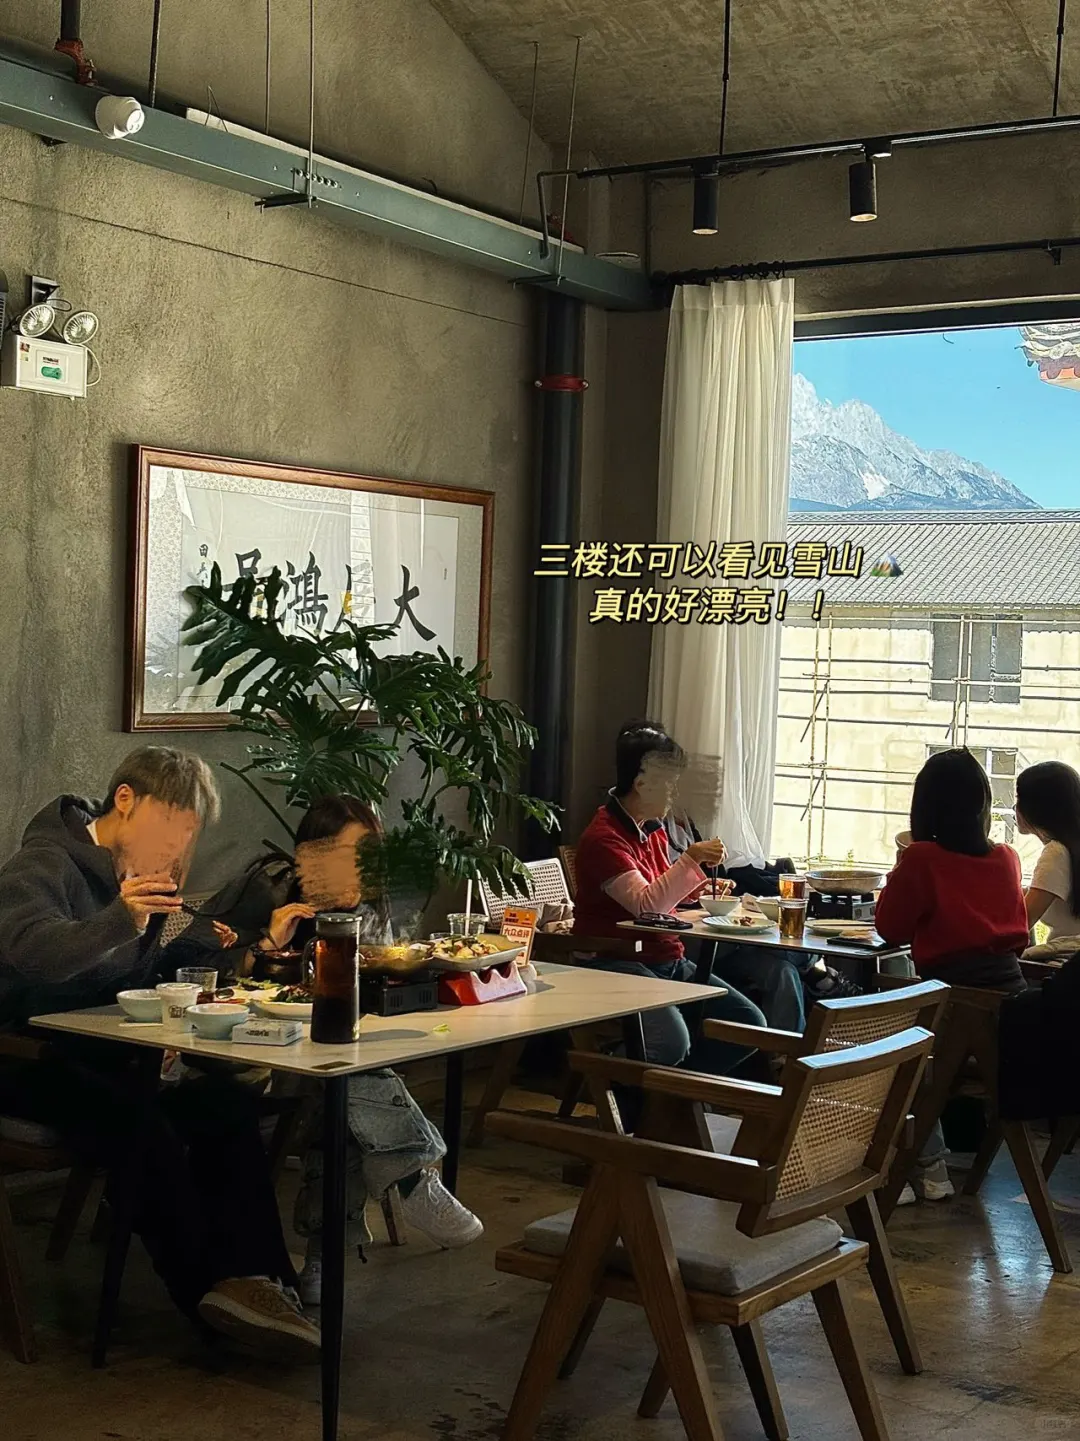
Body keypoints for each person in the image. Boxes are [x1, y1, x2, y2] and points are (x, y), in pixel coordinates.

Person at [0, 748, 320, 1358]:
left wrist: (241, 947)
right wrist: (122, 920)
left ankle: (260, 1282)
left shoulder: (141, 877)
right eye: (169, 825)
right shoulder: (43, 863)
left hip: (103, 1049)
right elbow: (32, 952)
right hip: (23, 1056)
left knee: (224, 1105)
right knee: (141, 1126)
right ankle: (209, 1298)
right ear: (125, 800)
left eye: (187, 833)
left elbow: (152, 966)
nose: (176, 846)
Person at [169, 794, 483, 1307]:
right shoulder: (266, 888)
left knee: (336, 1088)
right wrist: (266, 944)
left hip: (316, 1054)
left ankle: (323, 1254)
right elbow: (188, 965)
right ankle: (410, 1180)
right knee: (341, 1080)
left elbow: (371, 979)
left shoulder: (364, 908)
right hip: (243, 1052)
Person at [875, 748, 1030, 1204]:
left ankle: (905, 1166)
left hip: (956, 1004)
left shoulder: (923, 858)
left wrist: (900, 868)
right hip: (1015, 1010)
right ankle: (926, 1167)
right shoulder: (1007, 857)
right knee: (920, 1040)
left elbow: (890, 928)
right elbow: (1019, 939)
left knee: (882, 1044)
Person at [572, 721, 768, 1075]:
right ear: (642, 784)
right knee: (670, 1041)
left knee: (749, 1023)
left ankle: (674, 1093)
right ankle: (617, 1087)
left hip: (664, 958)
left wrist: (700, 890)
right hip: (615, 961)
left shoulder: (652, 828)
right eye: (670, 783)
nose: (675, 793)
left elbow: (660, 888)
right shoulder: (604, 839)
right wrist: (691, 859)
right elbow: (647, 906)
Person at [1016, 760, 1080, 939]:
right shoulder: (1071, 848)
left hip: (1065, 954)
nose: (1015, 808)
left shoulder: (1056, 853)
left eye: (1018, 799)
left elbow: (1021, 923)